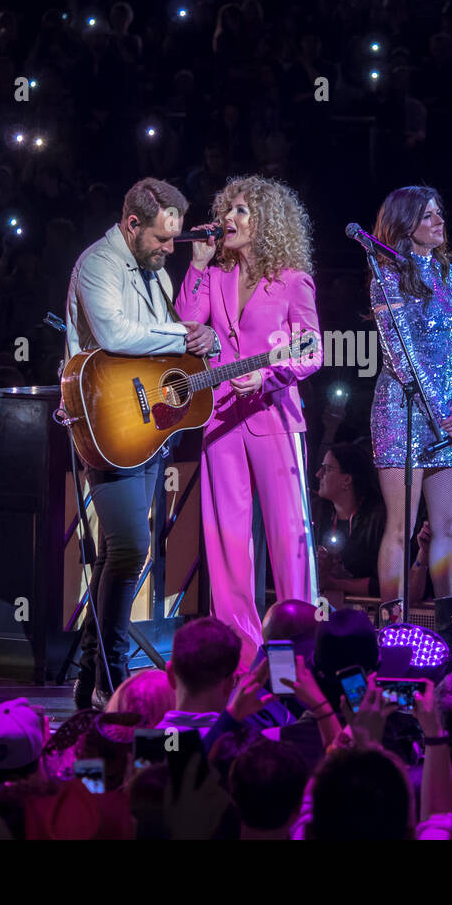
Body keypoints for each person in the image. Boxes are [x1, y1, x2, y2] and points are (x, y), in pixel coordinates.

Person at [65, 177, 218, 706]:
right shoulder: (97, 265)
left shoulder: (152, 268)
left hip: (144, 421)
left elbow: (157, 341)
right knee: (131, 547)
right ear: (132, 224)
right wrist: (185, 333)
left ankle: (93, 673)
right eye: (159, 239)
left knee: (119, 550)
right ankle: (109, 671)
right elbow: (115, 336)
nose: (166, 250)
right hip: (105, 421)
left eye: (172, 240)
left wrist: (195, 333)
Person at [178, 175, 322, 666]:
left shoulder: (291, 281)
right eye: (228, 211)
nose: (229, 221)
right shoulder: (215, 277)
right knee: (228, 545)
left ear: (268, 223)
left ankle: (294, 662)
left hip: (274, 418)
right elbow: (188, 324)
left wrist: (266, 375)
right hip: (221, 421)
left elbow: (311, 350)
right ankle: (242, 662)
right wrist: (197, 265)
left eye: (242, 211)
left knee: (288, 542)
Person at [366, 186, 452, 662]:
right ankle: (394, 631)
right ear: (405, 223)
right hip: (403, 413)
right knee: (402, 525)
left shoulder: (447, 272)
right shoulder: (386, 276)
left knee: (447, 525)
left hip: (448, 417)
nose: (438, 221)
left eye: (439, 213)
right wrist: (439, 416)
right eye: (428, 215)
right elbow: (402, 359)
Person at [313, 443, 386, 602]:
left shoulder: (377, 519)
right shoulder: (317, 512)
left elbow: (384, 584)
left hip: (365, 614)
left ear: (346, 480)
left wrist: (335, 583)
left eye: (328, 469)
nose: (318, 474)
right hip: (322, 608)